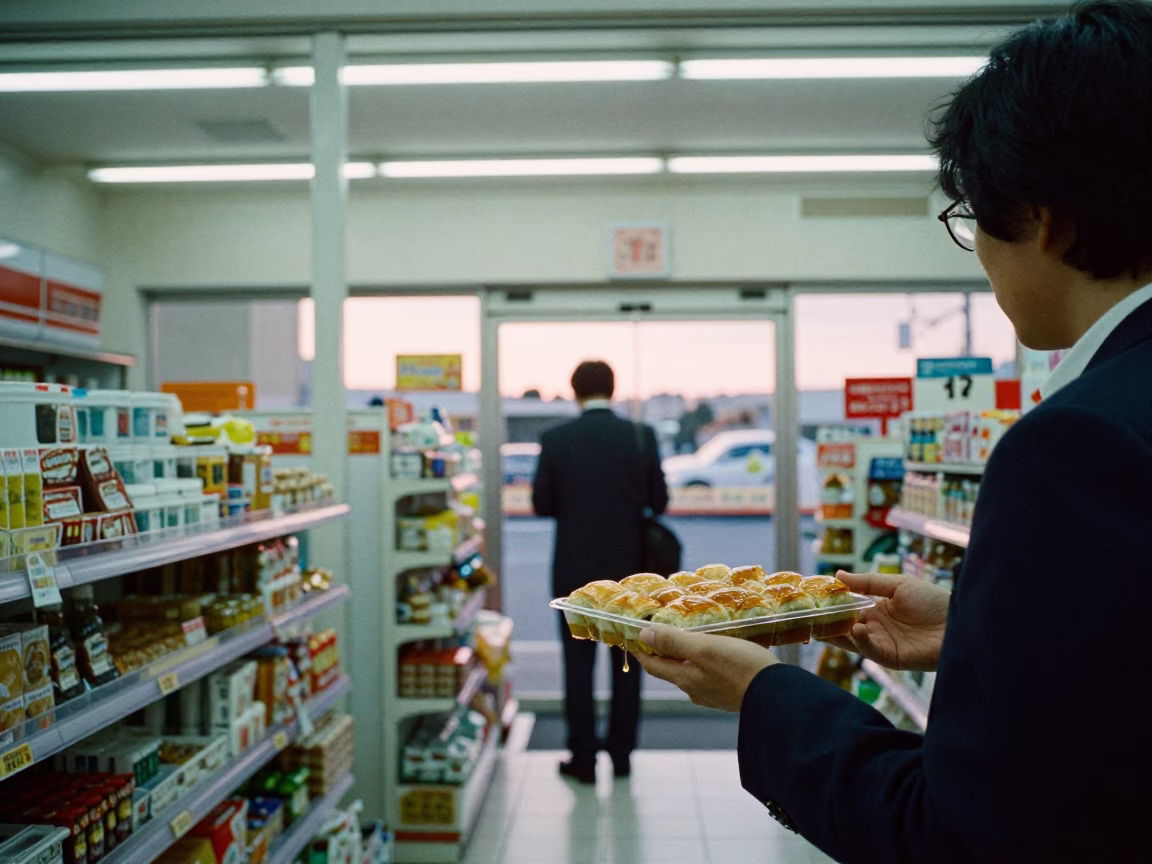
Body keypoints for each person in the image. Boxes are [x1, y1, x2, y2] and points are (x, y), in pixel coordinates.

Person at [635, 2, 1152, 861]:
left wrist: (764, 693)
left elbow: (967, 836)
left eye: (971, 221)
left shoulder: (1077, 445)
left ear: (1040, 214)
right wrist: (986, 634)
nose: (980, 257)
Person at [533, 360, 669, 783]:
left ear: (573, 391)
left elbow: (542, 505)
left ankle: (583, 759)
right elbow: (660, 502)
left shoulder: (556, 439)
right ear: (613, 389)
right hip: (631, 573)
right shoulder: (639, 436)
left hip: (575, 573)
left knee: (577, 666)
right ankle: (622, 755)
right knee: (627, 662)